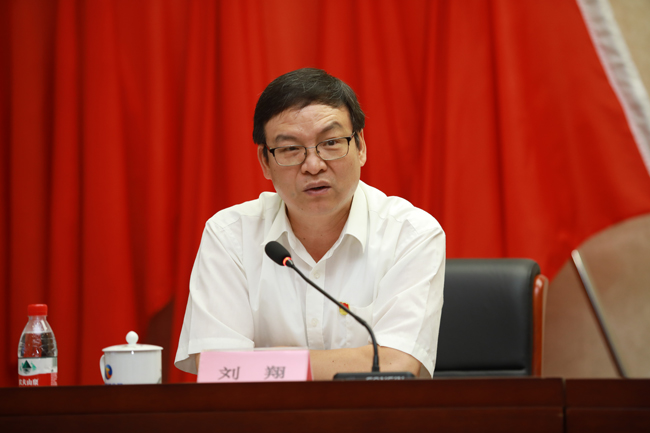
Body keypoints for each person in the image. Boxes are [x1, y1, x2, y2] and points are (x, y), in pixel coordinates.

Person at [175, 68, 445, 380]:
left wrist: (262, 363)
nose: (313, 166)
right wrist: (353, 361)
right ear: (265, 162)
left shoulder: (410, 234)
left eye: (331, 142)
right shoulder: (230, 235)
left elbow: (397, 366)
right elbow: (218, 367)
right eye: (291, 149)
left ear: (360, 146)